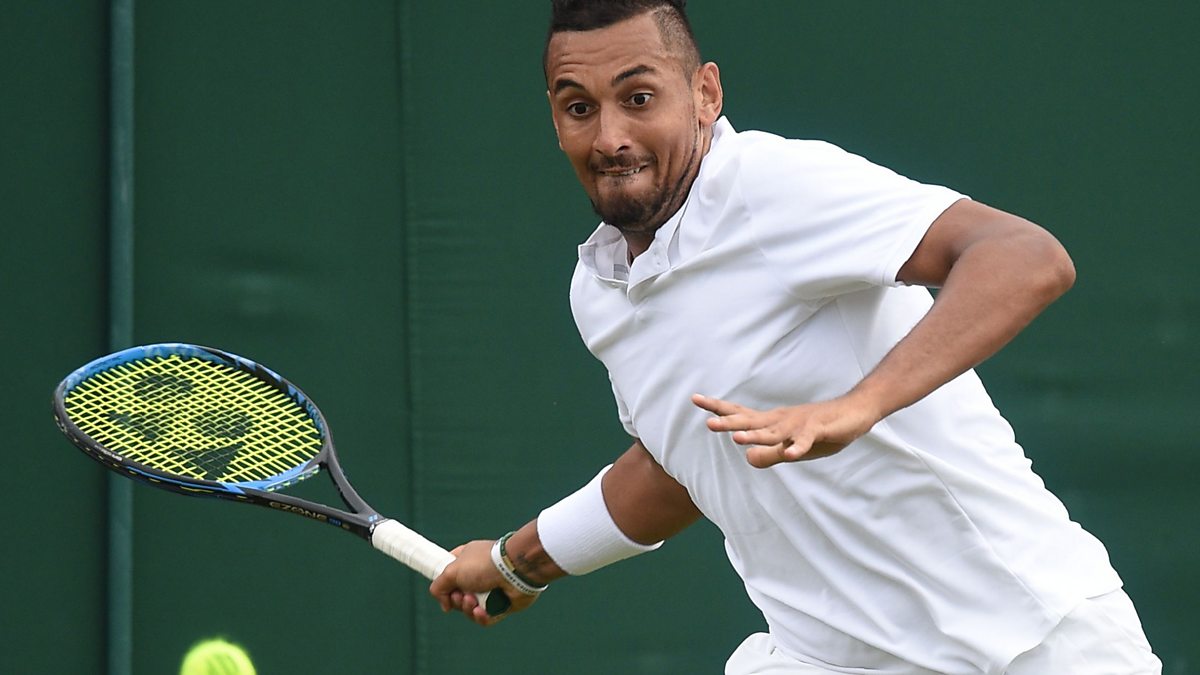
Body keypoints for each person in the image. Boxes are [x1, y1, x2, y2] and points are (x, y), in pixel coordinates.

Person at [430, 1, 1162, 673]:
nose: (610, 137)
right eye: (579, 108)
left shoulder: (771, 186)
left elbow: (1025, 257)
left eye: (640, 98)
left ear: (705, 95)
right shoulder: (598, 291)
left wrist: (858, 405)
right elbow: (683, 463)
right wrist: (519, 560)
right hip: (827, 656)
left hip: (1026, 644)